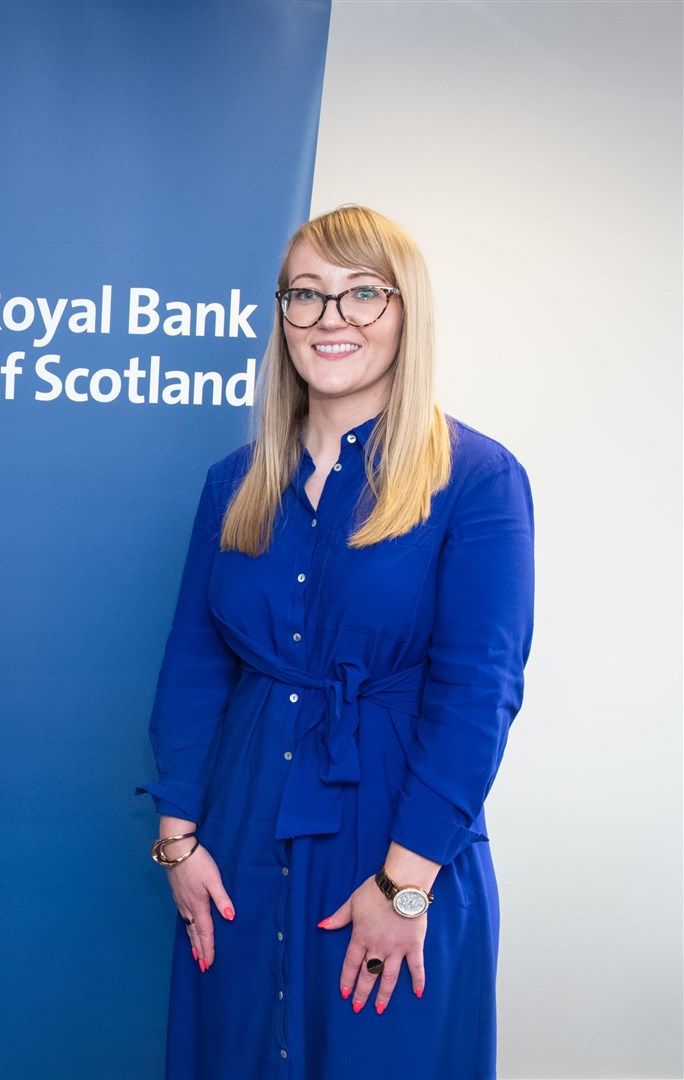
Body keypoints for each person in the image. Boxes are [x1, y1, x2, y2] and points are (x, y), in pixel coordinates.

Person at [142, 205, 533, 1078]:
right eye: (306, 296)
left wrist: (405, 884)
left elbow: (480, 695)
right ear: (281, 316)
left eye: (363, 294)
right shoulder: (234, 484)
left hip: (398, 832)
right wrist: (179, 838)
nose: (332, 319)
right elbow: (195, 665)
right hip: (239, 832)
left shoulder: (476, 478)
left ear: (407, 312)